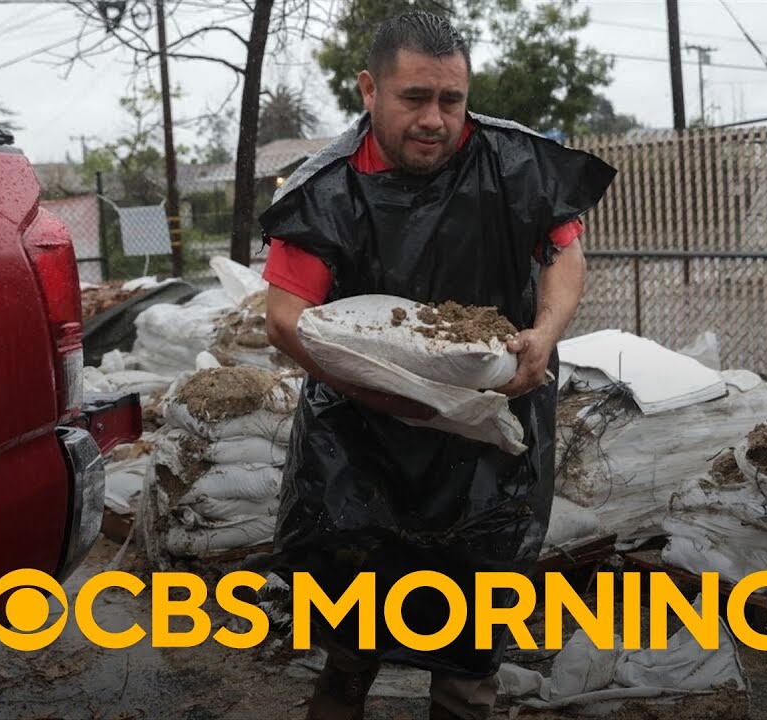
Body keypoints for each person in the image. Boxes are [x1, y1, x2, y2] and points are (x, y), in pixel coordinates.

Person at [259, 11, 615, 720]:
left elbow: (564, 252)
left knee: (471, 640)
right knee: (351, 631)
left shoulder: (512, 164)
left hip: (487, 431)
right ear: (369, 89)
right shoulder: (326, 191)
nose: (435, 119)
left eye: (451, 100)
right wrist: (391, 393)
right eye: (414, 97)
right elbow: (285, 318)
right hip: (359, 440)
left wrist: (544, 334)